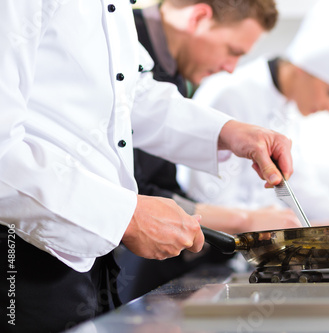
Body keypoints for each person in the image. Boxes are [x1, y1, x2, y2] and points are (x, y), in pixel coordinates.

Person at [0, 1, 293, 332]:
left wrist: (227, 131)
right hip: (18, 250)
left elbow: (129, 94)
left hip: (85, 259)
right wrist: (126, 215)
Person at [115, 0, 301, 303]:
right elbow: (136, 193)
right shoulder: (125, 38)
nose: (230, 68)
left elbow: (161, 184)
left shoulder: (169, 68)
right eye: (233, 51)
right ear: (199, 16)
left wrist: (231, 132)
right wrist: (243, 220)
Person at [182, 0, 329, 224]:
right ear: (303, 69)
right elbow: (208, 203)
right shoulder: (229, 95)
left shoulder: (287, 107)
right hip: (205, 253)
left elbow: (300, 182)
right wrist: (286, 225)